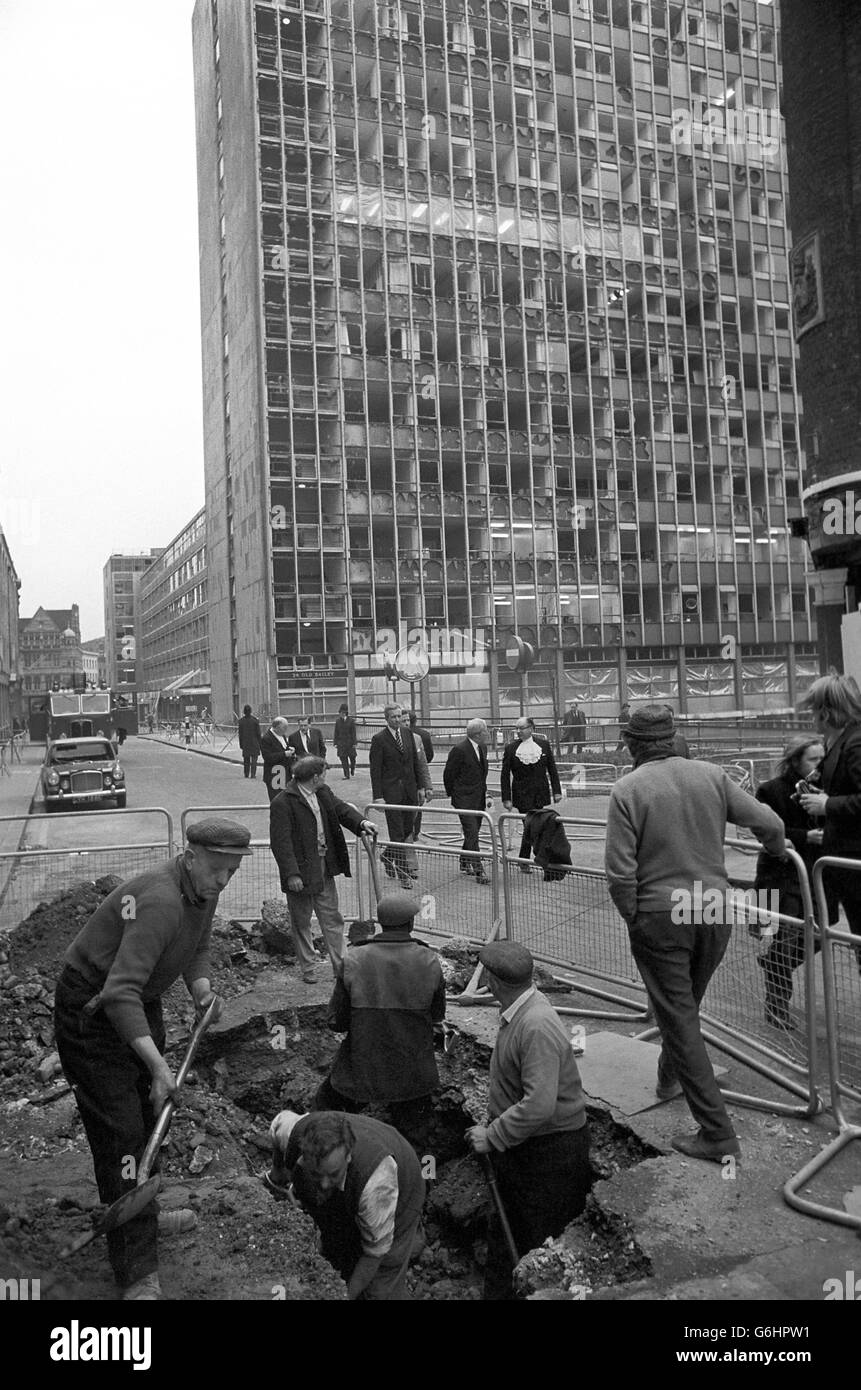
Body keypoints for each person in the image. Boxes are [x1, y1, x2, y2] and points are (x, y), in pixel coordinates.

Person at [53, 818, 253, 1300]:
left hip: (139, 1000)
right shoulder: (161, 900)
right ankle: (136, 1271)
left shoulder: (204, 889)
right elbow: (118, 992)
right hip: (93, 1010)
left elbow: (196, 944)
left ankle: (144, 1213)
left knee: (150, 1118)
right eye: (216, 869)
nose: (223, 881)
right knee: (121, 1131)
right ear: (190, 856)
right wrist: (160, 1069)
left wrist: (201, 988)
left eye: (231, 872)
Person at [605, 705, 785, 1163]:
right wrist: (779, 852)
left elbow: (621, 873)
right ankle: (668, 1076)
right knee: (683, 1009)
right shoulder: (711, 774)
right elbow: (771, 824)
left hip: (661, 914)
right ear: (673, 736)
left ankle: (717, 1132)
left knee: (680, 1017)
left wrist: (634, 917)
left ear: (632, 744)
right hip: (711, 908)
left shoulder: (628, 789)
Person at [465, 942, 591, 1301]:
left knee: (536, 1245)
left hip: (549, 1157)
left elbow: (539, 1105)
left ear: (493, 980)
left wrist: (492, 1136)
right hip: (526, 1148)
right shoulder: (518, 1012)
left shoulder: (535, 1025)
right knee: (508, 1236)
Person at [316, 891, 446, 1149]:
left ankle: (307, 1167)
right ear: (410, 925)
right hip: (413, 1072)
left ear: (381, 924)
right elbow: (437, 1016)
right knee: (418, 1138)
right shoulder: (430, 961)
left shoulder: (354, 959)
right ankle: (425, 1180)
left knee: (324, 1112)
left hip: (361, 1068)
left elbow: (336, 1021)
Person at [268, 1109, 425, 1301]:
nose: (324, 1184)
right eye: (316, 1174)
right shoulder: (294, 1134)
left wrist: (344, 1295)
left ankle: (410, 1236)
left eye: (333, 1174)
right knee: (337, 1250)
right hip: (357, 1190)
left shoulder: (376, 1183)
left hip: (404, 1189)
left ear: (348, 1156)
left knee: (380, 1289)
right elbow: (277, 1124)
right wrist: (277, 1172)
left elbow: (375, 1253)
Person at [269, 755, 378, 983]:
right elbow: (281, 843)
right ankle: (308, 968)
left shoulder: (322, 792)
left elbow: (342, 810)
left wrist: (361, 823)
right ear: (315, 776)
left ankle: (342, 968)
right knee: (301, 921)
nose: (325, 777)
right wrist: (291, 874)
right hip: (300, 872)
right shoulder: (284, 802)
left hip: (323, 866)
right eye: (324, 773)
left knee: (332, 918)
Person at [753, 735, 824, 1029]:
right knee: (783, 942)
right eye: (813, 759)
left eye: (823, 758)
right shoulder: (771, 790)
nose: (819, 765)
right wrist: (803, 837)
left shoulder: (825, 791)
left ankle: (772, 964)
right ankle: (777, 1006)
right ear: (795, 761)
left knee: (819, 935)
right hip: (778, 877)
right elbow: (762, 829)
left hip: (815, 877)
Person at [797, 675, 861, 970]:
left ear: (827, 711)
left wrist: (828, 804)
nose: (811, 717)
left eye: (813, 710)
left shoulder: (854, 742)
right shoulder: (843, 740)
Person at [369, 703, 429, 887]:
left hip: (410, 791)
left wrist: (421, 787)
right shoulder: (379, 739)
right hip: (391, 794)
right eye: (393, 717)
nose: (397, 719)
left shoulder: (408, 734)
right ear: (386, 718)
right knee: (396, 833)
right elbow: (375, 770)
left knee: (406, 831)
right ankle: (404, 874)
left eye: (398, 716)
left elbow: (415, 764)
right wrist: (378, 796)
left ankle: (387, 856)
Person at [500, 716, 562, 871]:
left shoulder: (543, 745)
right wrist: (506, 798)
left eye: (522, 728)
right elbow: (505, 775)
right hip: (522, 794)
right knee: (531, 826)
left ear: (531, 728)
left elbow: (552, 769)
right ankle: (538, 860)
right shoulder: (511, 748)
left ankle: (524, 860)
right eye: (517, 728)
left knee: (534, 827)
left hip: (539, 793)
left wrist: (556, 791)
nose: (519, 732)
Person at [443, 718, 491, 884]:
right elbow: (449, 774)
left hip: (478, 797)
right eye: (486, 730)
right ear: (478, 734)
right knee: (471, 832)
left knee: (474, 831)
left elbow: (481, 772)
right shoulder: (460, 750)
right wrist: (454, 795)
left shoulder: (482, 748)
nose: (488, 733)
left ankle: (464, 860)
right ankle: (479, 869)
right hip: (463, 798)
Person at [402, 708, 434, 862]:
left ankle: (389, 855)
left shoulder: (417, 739)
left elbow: (423, 765)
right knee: (402, 828)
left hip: (414, 789)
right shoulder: (384, 739)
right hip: (396, 790)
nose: (406, 723)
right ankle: (410, 864)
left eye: (408, 720)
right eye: (403, 720)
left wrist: (427, 787)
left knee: (409, 827)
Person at [261, 716, 297, 802]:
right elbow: (268, 757)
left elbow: (283, 748)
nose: (286, 730)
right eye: (284, 728)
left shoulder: (282, 735)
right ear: (276, 727)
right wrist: (284, 754)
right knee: (277, 800)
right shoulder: (266, 738)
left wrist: (290, 750)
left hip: (285, 774)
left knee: (286, 800)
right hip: (275, 775)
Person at [238, 704, 262, 779]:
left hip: (245, 743)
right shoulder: (255, 721)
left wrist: (241, 744)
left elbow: (240, 734)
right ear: (251, 711)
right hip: (254, 742)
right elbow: (258, 733)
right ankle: (253, 774)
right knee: (254, 759)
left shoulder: (241, 721)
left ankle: (246, 773)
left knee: (246, 759)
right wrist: (260, 744)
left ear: (244, 712)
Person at [333, 703, 357, 779]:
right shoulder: (338, 721)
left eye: (343, 712)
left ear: (345, 713)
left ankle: (352, 768)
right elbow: (336, 732)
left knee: (352, 758)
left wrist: (354, 743)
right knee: (343, 759)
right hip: (341, 744)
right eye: (340, 712)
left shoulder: (351, 721)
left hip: (350, 743)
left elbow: (353, 732)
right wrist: (335, 743)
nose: (341, 714)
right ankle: (346, 775)